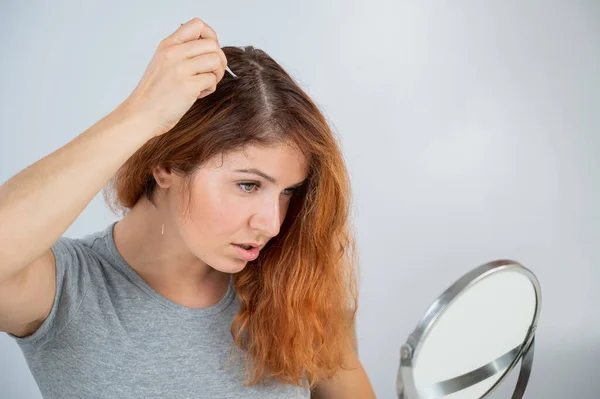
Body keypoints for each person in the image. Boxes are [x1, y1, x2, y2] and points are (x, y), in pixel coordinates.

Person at [0, 17, 376, 398]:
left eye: (288, 192)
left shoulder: (295, 288)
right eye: (248, 184)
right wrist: (141, 115)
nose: (272, 223)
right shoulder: (68, 291)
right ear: (166, 166)